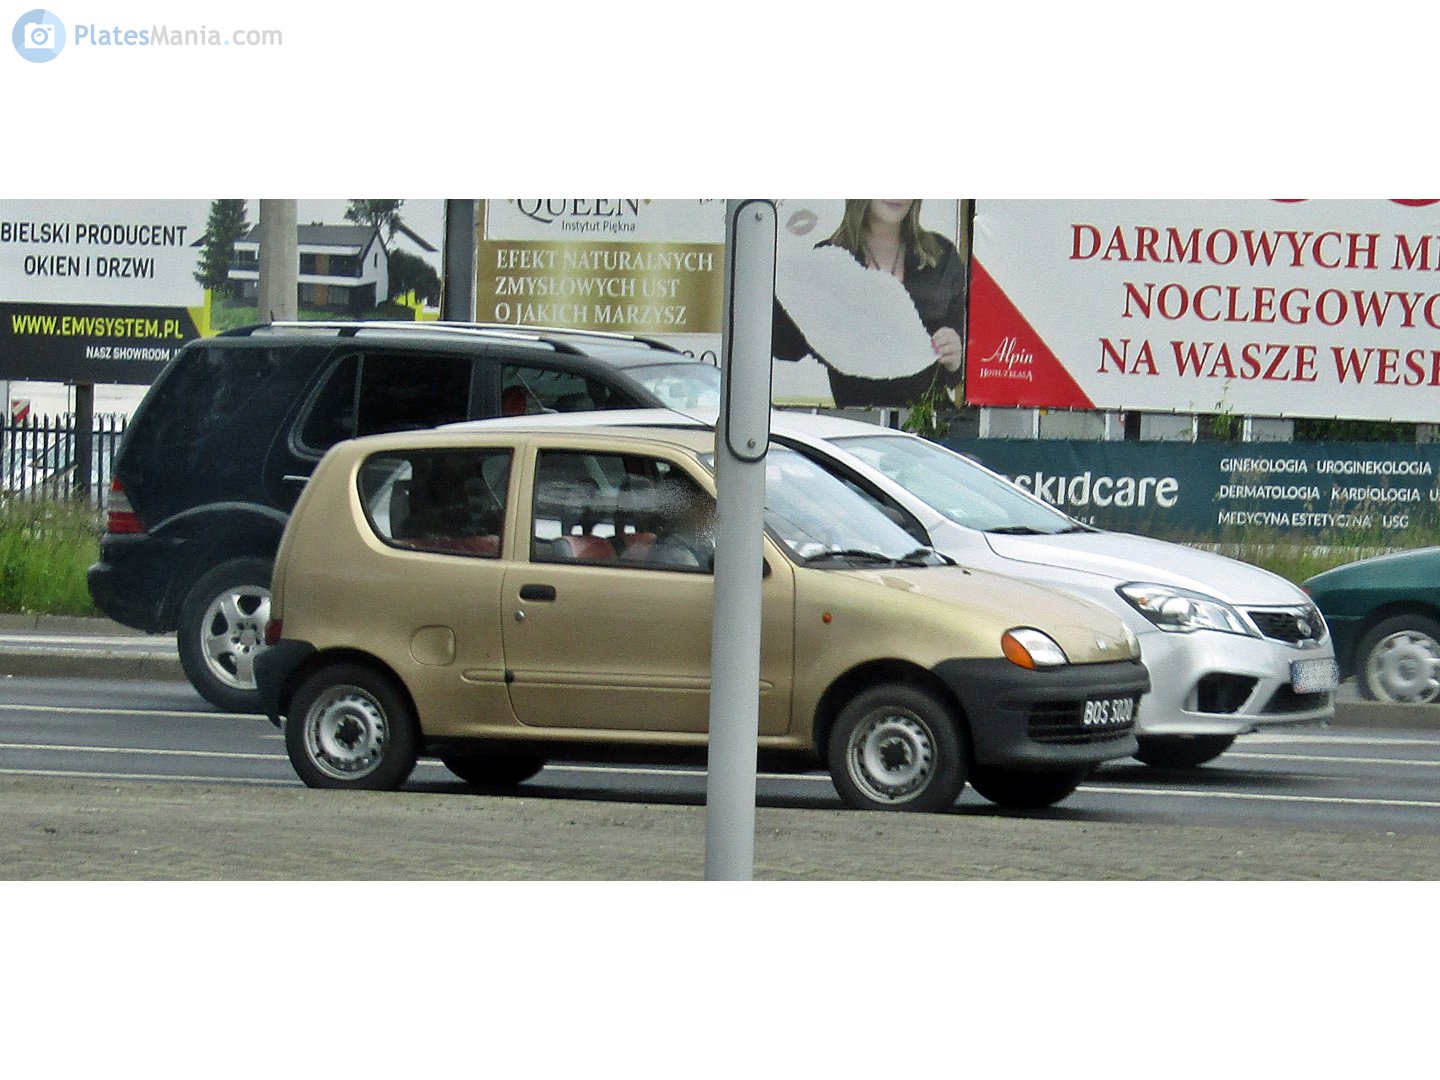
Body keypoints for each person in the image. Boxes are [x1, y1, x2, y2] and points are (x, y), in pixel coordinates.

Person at [773, 199, 966, 408]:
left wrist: (957, 358)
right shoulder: (829, 259)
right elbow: (787, 347)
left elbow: (962, 368)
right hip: (857, 422)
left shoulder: (940, 255)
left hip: (929, 425)